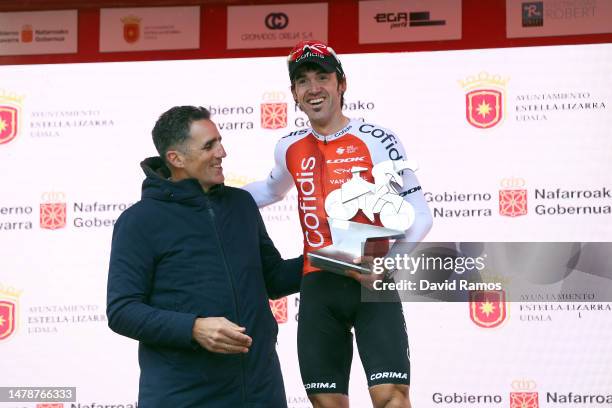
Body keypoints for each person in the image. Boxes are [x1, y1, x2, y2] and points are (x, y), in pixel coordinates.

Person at [243, 41, 433, 408]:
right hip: (317, 284)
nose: (313, 88)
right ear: (294, 94)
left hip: (371, 282)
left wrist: (388, 263)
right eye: (302, 81)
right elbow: (269, 190)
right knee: (326, 404)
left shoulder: (377, 139)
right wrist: (210, 195)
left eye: (322, 77)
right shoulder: (288, 146)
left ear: (341, 84)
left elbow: (420, 214)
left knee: (391, 398)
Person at [106, 106, 303, 408]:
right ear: (176, 159)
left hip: (262, 391)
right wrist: (194, 328)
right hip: (184, 398)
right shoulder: (139, 220)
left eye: (219, 141)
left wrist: (333, 258)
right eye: (209, 145)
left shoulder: (241, 205)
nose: (222, 152)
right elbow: (122, 310)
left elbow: (273, 278)